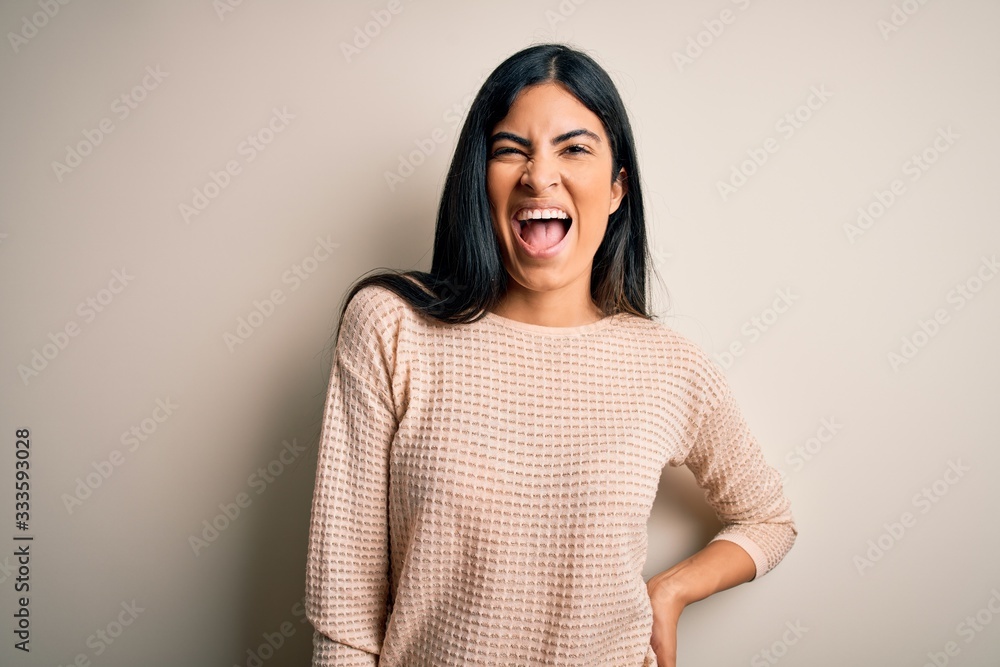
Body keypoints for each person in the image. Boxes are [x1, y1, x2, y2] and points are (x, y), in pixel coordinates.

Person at [304, 43, 797, 667]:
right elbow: (342, 619)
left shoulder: (668, 367)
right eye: (511, 150)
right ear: (479, 179)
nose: (539, 175)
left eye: (574, 148)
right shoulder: (390, 327)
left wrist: (669, 594)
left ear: (618, 190)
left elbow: (769, 519)